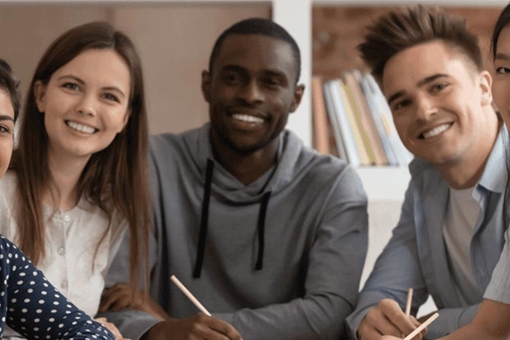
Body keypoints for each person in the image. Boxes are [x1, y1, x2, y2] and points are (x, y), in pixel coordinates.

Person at [100, 17, 369, 340]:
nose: (250, 95)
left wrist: (170, 325)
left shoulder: (334, 186)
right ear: (206, 85)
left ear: (296, 97)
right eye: (233, 78)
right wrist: (164, 329)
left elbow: (330, 315)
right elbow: (112, 303)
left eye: (270, 82)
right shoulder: (150, 162)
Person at [345, 5, 507, 340]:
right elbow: (379, 297)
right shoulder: (425, 184)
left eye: (438, 87)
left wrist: (429, 322)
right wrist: (370, 325)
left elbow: (499, 326)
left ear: (484, 88)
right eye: (402, 103)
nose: (423, 111)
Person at [0, 21, 151, 339]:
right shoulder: (2, 191)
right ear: (40, 95)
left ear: (125, 118)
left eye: (109, 96)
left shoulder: (113, 214)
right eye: (72, 86)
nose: (86, 107)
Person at [0, 57, 116, 339]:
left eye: (1, 129)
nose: (87, 108)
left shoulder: (3, 257)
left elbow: (88, 331)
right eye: (72, 86)